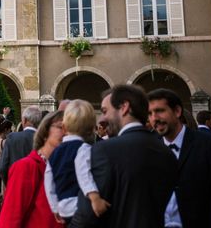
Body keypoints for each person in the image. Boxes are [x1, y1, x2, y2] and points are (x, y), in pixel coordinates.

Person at [72, 85, 178, 228]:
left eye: (105, 111)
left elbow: (87, 214)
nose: (102, 119)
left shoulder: (104, 150)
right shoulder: (167, 153)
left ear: (124, 107)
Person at [148, 88, 211, 228]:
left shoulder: (207, 143)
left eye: (160, 111)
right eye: (150, 113)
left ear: (177, 111)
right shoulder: (149, 147)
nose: (154, 118)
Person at [0, 111, 65, 228]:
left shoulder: (63, 168)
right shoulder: (26, 167)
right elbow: (10, 219)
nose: (67, 132)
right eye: (61, 127)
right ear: (45, 131)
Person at [44, 100, 107, 225]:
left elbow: (48, 180)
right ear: (90, 130)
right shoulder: (84, 149)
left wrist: (55, 207)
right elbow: (84, 175)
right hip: (79, 204)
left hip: (63, 207)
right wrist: (95, 198)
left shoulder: (55, 152)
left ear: (64, 127)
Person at [0, 105, 41, 184]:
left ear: (24, 120)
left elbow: (2, 167)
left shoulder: (12, 138)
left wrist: (9, 183)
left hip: (16, 184)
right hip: (39, 186)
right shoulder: (45, 139)